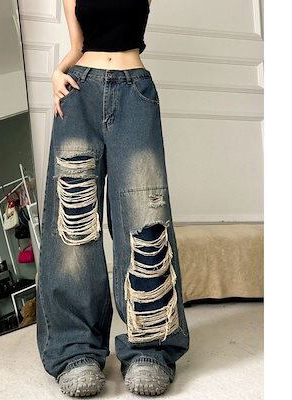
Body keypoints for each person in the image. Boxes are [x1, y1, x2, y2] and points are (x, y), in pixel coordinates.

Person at [36, 0, 190, 396]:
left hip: (134, 91)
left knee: (144, 215)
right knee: (73, 221)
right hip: (79, 92)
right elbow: (77, 46)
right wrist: (56, 73)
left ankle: (150, 348)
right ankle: (75, 350)